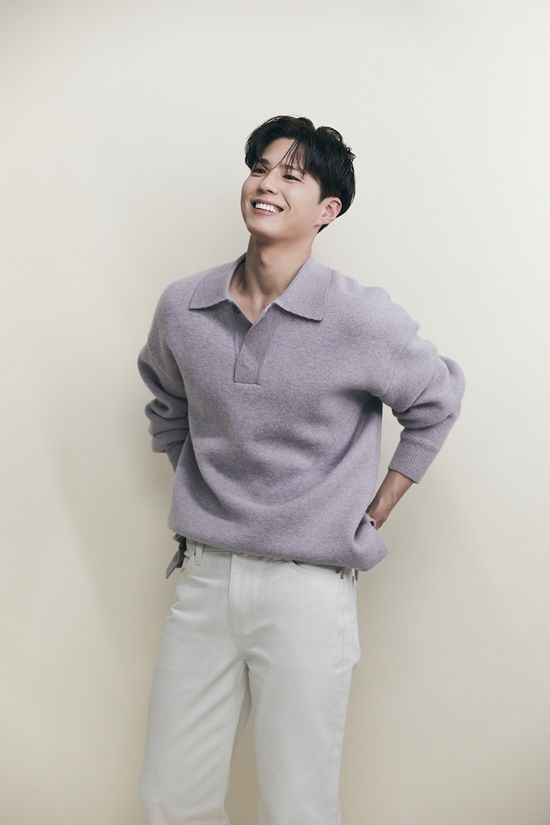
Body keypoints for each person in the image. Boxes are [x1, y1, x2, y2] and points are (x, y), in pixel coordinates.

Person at [137, 114, 466, 824]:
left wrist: (375, 510)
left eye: (292, 174)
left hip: (307, 590)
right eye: (260, 167)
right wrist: (200, 482)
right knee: (169, 797)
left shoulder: (360, 318)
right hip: (205, 575)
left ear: (328, 209)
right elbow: (165, 404)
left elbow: (436, 402)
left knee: (297, 806)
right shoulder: (184, 307)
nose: (267, 183)